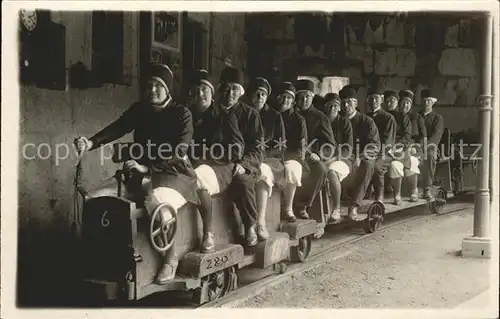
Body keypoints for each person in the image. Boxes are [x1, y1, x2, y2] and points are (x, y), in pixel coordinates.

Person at [74, 63, 198, 284]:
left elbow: (180, 151)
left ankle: (170, 259)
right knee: (95, 198)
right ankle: (101, 258)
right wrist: (90, 142)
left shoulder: (182, 114)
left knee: (157, 201)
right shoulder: (140, 109)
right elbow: (118, 127)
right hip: (138, 174)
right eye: (148, 85)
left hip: (175, 175)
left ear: (167, 89)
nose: (151, 90)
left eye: (157, 85)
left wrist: (148, 168)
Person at [188, 69, 245, 253]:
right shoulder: (185, 114)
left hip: (220, 167)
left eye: (205, 89)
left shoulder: (225, 115)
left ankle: (208, 233)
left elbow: (237, 148)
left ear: (212, 93)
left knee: (199, 176)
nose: (200, 94)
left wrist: (208, 154)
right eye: (196, 90)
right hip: (191, 165)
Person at [217, 66, 264, 247]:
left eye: (235, 88)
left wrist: (243, 164)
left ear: (241, 92)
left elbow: (258, 149)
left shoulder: (250, 115)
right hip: (219, 163)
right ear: (221, 89)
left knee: (242, 182)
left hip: (243, 165)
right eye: (227, 88)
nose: (230, 92)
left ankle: (250, 225)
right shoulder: (214, 111)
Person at [247, 77, 287, 240]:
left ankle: (260, 221)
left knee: (262, 170)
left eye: (263, 94)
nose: (259, 97)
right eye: (256, 93)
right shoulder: (245, 112)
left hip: (271, 160)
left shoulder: (274, 116)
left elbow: (280, 146)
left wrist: (261, 157)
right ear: (250, 95)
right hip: (249, 158)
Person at [294, 79, 336, 219]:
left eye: (308, 96)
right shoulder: (291, 114)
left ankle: (303, 205)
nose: (305, 100)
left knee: (320, 170)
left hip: (311, 156)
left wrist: (319, 155)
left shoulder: (320, 117)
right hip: (292, 153)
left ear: (312, 98)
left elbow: (330, 145)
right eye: (301, 96)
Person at [339, 85, 380, 220]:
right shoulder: (338, 120)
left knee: (368, 164)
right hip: (344, 155)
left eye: (349, 102)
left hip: (363, 156)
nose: (346, 105)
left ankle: (354, 205)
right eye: (343, 102)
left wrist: (359, 156)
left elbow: (373, 146)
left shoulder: (367, 122)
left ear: (355, 103)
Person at [276, 82, 308, 222]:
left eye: (289, 98)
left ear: (293, 102)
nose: (285, 100)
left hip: (291, 155)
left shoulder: (298, 119)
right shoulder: (272, 115)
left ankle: (288, 209)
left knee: (291, 169)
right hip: (272, 155)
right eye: (283, 97)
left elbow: (302, 145)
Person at [322, 93, 353, 223]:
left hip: (343, 159)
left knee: (332, 171)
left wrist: (332, 159)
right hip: (323, 158)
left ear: (339, 108)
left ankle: (336, 209)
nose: (332, 109)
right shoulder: (321, 120)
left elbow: (348, 148)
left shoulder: (344, 122)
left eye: (335, 106)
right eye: (329, 106)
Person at [367, 86, 397, 202]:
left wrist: (376, 154)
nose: (374, 101)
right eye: (371, 98)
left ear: (382, 99)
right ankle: (366, 191)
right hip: (370, 152)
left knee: (377, 166)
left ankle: (379, 195)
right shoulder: (366, 117)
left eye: (376, 98)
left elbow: (388, 142)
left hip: (386, 152)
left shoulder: (388, 118)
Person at [384, 90, 414, 204]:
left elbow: (407, 136)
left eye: (393, 100)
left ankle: (397, 194)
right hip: (385, 147)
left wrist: (396, 146)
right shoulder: (383, 115)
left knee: (394, 164)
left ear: (397, 102)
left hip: (399, 148)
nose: (390, 103)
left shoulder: (403, 117)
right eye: (387, 100)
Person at [397, 89, 427, 201]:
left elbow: (423, 136)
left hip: (415, 147)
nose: (405, 105)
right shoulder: (396, 117)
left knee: (412, 160)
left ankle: (413, 190)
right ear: (399, 103)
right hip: (399, 147)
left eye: (408, 103)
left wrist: (416, 146)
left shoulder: (417, 117)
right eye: (403, 103)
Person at [420, 88, 444, 199]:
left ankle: (427, 188)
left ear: (433, 102)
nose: (426, 103)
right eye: (424, 100)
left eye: (429, 101)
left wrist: (423, 147)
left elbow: (436, 137)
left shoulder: (437, 118)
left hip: (431, 147)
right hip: (417, 146)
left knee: (429, 156)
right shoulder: (417, 116)